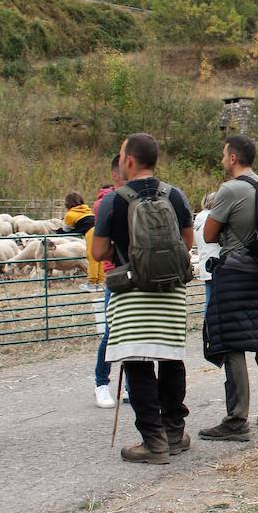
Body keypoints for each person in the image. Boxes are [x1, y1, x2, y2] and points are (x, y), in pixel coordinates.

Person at [90, 133, 195, 465]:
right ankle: (175, 433)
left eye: (121, 154)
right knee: (171, 359)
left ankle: (153, 441)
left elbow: (98, 251)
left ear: (129, 161)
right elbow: (187, 242)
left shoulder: (114, 200)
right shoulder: (175, 195)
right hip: (170, 291)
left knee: (137, 363)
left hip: (133, 294)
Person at [200, 135, 258, 441]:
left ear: (234, 157)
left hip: (236, 273)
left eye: (225, 154)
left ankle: (237, 419)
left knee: (232, 343)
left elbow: (210, 234)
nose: (223, 159)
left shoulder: (230, 189)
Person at [91, 155, 122, 409]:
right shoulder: (106, 203)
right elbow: (100, 248)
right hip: (115, 274)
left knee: (135, 331)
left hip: (136, 272)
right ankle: (101, 382)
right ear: (115, 175)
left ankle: (131, 385)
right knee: (112, 332)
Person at [63, 192, 100, 292]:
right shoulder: (87, 210)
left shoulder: (70, 214)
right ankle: (101, 281)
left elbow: (66, 229)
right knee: (100, 255)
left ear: (67, 203)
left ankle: (92, 282)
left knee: (92, 256)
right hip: (101, 229)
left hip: (91, 232)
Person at [193, 192, 220, 316]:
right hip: (217, 261)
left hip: (205, 261)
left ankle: (208, 329)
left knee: (209, 298)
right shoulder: (214, 217)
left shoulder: (199, 217)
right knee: (218, 300)